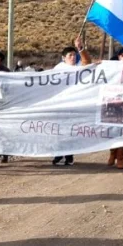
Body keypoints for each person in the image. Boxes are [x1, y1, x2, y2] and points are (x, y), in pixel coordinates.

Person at [51, 36, 91, 166]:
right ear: (64, 58)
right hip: (60, 104)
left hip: (75, 104)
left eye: (74, 55)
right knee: (59, 130)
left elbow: (88, 62)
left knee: (70, 130)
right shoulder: (58, 69)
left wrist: (80, 48)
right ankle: (59, 154)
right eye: (70, 55)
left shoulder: (80, 67)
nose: (73, 57)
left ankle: (69, 156)